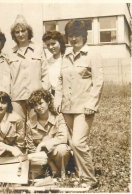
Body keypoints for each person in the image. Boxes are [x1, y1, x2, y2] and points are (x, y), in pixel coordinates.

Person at [55, 19, 104, 189]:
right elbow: (60, 79)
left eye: (77, 35)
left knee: (78, 142)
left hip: (84, 108)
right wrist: (57, 99)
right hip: (67, 107)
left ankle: (90, 179)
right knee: (72, 143)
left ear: (84, 36)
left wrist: (92, 103)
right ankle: (82, 176)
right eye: (70, 36)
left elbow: (98, 82)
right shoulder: (66, 55)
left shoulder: (93, 55)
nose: (73, 39)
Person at [9, 14, 50, 121]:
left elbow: (45, 73)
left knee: (36, 125)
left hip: (36, 96)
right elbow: (8, 77)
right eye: (17, 32)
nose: (20, 34)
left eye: (23, 31)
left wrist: (43, 93)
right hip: (17, 97)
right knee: (19, 127)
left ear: (29, 32)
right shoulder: (10, 53)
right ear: (14, 35)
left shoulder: (38, 50)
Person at [26, 89, 70, 178]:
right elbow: (31, 147)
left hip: (56, 154)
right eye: (35, 105)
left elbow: (63, 137)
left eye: (41, 103)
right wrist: (50, 163)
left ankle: (62, 172)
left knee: (62, 149)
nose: (38, 107)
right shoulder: (30, 123)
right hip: (41, 157)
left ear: (48, 102)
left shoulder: (59, 117)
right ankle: (47, 171)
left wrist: (43, 144)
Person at [42, 31, 66, 96]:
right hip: (52, 94)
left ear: (60, 42)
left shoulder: (67, 59)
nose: (50, 47)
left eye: (53, 44)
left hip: (65, 93)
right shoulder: (48, 61)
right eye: (48, 45)